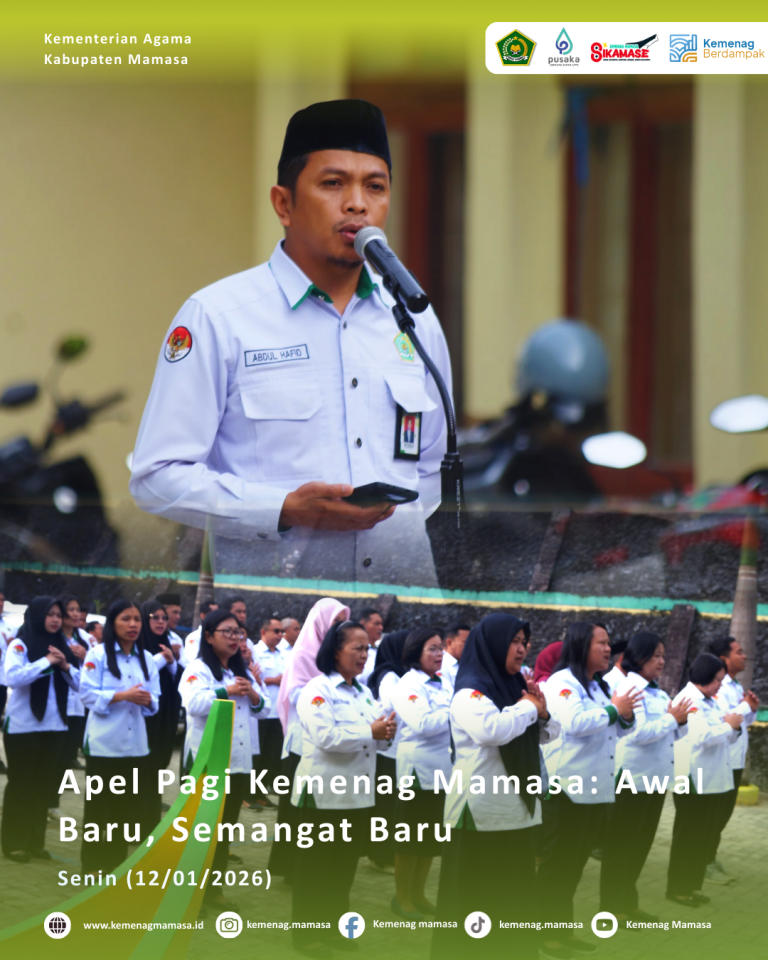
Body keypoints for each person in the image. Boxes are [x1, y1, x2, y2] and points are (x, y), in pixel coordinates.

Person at [129, 98, 452, 590]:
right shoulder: (218, 316)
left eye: (375, 186)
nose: (357, 204)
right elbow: (157, 477)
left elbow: (431, 467)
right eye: (333, 183)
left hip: (401, 612)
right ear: (284, 204)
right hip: (275, 618)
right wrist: (282, 509)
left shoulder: (410, 316)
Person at [432, 613, 551, 960]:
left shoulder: (515, 686)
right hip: (479, 813)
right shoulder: (470, 690)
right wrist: (529, 708)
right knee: (472, 899)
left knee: (511, 899)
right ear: (493, 644)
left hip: (517, 809)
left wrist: (542, 712)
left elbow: (548, 734)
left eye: (524, 642)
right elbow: (492, 731)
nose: (522, 649)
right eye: (514, 641)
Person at [290, 619, 396, 958]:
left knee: (342, 868)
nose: (364, 655)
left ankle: (334, 929)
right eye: (358, 648)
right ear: (336, 652)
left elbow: (375, 740)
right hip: (323, 795)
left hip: (356, 795)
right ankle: (306, 936)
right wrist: (370, 732)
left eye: (367, 648)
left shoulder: (362, 692)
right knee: (315, 868)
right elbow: (326, 738)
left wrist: (385, 733)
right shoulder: (318, 689)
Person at [538, 622, 642, 958]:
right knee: (557, 865)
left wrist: (625, 716)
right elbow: (576, 723)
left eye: (609, 643)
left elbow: (616, 729)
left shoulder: (597, 685)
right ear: (582, 645)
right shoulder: (562, 682)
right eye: (602, 643)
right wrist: (614, 709)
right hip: (567, 789)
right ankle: (545, 935)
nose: (608, 649)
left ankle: (562, 930)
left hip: (593, 788)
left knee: (575, 864)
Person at [599, 632, 692, 923]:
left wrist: (681, 720)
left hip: (656, 779)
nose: (662, 661)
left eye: (663, 656)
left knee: (641, 843)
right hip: (632, 778)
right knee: (621, 844)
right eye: (656, 656)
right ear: (639, 657)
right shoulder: (629, 689)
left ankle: (629, 901)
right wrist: (671, 719)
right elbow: (637, 733)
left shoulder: (659, 693)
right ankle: (611, 906)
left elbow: (674, 733)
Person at [180, 609, 268, 902]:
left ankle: (212, 890)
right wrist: (226, 690)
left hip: (239, 762)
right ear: (208, 636)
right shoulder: (198, 669)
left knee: (224, 830)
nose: (234, 638)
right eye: (227, 632)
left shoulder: (242, 669)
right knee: (201, 831)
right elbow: (194, 703)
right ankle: (189, 894)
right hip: (208, 762)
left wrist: (252, 694)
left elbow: (265, 708)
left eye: (238, 633)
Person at [268, 597, 350, 883]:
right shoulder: (304, 653)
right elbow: (294, 695)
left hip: (329, 741)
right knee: (296, 811)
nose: (339, 628)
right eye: (335, 622)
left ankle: (312, 867)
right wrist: (328, 699)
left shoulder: (338, 656)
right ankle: (290, 867)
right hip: (302, 742)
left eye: (343, 623)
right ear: (321, 622)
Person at [78, 599, 161, 872]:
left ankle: (115, 864)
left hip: (135, 746)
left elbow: (155, 700)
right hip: (104, 744)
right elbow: (87, 694)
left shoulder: (147, 658)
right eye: (126, 618)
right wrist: (123, 696)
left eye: (137, 619)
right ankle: (92, 865)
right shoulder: (98, 654)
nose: (133, 624)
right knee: (97, 808)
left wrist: (147, 700)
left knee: (124, 809)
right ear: (112, 623)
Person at [1, 597, 80, 862]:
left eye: (58, 615)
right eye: (50, 614)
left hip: (55, 725)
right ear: (37, 615)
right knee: (21, 785)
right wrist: (46, 661)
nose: (56, 619)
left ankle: (35, 842)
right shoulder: (21, 644)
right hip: (24, 726)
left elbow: (81, 685)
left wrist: (65, 665)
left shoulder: (62, 646)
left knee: (43, 785)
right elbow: (12, 677)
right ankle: (14, 843)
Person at [666, 653, 744, 908]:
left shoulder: (710, 700)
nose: (721, 685)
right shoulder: (689, 699)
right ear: (705, 676)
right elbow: (703, 737)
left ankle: (692, 885)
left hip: (712, 779)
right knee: (689, 836)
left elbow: (725, 734)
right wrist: (728, 726)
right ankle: (678, 889)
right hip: (693, 779)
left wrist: (732, 727)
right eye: (718, 679)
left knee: (702, 835)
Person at [390, 626, 450, 919]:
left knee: (430, 838)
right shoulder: (408, 685)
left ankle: (419, 893)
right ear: (416, 652)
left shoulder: (443, 682)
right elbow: (423, 724)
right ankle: (402, 897)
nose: (439, 654)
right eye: (433, 649)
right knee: (410, 838)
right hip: (417, 769)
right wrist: (457, 710)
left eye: (441, 648)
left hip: (442, 769)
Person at [704, 636, 759, 882]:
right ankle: (703, 862)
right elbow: (725, 720)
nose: (744, 656)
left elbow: (742, 721)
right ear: (723, 659)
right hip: (722, 760)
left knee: (722, 815)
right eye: (739, 652)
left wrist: (751, 708)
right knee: (714, 815)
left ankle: (709, 857)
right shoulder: (718, 686)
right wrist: (745, 707)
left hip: (735, 760)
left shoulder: (735, 686)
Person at [365, 629, 409, 874]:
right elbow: (396, 706)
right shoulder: (389, 675)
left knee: (393, 806)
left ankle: (386, 853)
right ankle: (380, 856)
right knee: (386, 807)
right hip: (389, 750)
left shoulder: (402, 674)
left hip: (398, 748)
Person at [139, 600, 182, 827]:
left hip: (164, 715)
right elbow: (139, 676)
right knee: (139, 770)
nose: (160, 622)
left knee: (155, 770)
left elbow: (177, 679)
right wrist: (161, 659)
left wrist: (171, 661)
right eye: (154, 617)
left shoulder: (167, 645)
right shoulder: (137, 646)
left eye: (164, 618)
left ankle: (148, 825)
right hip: (143, 716)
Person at [48, 594, 89, 815]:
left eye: (77, 609)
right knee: (51, 755)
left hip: (78, 706)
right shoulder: (52, 638)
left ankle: (53, 802)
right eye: (70, 609)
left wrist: (86, 655)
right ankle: (43, 800)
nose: (75, 614)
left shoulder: (85, 639)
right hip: (58, 703)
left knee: (66, 757)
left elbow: (96, 670)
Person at [254, 617, 288, 796]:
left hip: (279, 713)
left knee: (271, 754)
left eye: (282, 631)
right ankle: (251, 793)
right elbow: (251, 678)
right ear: (263, 632)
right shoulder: (255, 651)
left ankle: (263, 791)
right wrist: (273, 680)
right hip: (262, 712)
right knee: (257, 754)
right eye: (276, 631)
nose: (280, 634)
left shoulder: (283, 654)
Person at [440, 621, 470, 691]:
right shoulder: (441, 665)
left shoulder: (470, 663)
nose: (470, 645)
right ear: (449, 642)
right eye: (465, 642)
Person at [359, 607, 384, 683]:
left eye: (381, 624)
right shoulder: (356, 652)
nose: (381, 627)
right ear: (363, 625)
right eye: (376, 624)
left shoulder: (381, 650)